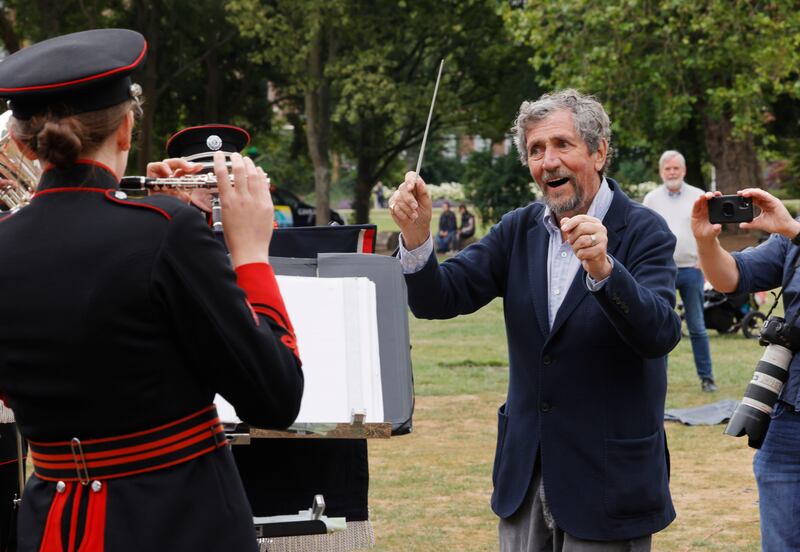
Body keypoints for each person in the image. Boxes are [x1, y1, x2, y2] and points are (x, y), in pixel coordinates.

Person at [0, 28, 303, 552]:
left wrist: (160, 223)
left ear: (24, 142)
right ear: (125, 129)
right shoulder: (166, 231)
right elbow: (275, 395)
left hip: (51, 524)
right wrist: (250, 253)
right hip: (175, 521)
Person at [389, 89, 679, 551]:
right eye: (536, 150)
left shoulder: (644, 231)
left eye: (562, 144)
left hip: (607, 483)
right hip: (526, 477)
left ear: (599, 150)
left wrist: (605, 270)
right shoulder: (517, 230)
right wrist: (418, 235)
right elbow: (437, 299)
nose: (548, 161)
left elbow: (660, 333)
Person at [691, 187, 800, 551]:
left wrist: (794, 231)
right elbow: (733, 277)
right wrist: (706, 242)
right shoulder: (792, 238)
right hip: (790, 419)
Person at [643, 150, 717, 392]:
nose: (672, 172)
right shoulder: (651, 199)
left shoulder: (698, 196)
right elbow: (643, 232)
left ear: (683, 171)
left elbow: (708, 228)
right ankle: (657, 379)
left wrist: (703, 258)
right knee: (659, 326)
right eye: (667, 169)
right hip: (661, 271)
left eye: (676, 168)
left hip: (691, 270)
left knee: (697, 326)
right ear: (661, 172)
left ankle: (707, 378)